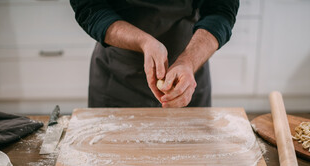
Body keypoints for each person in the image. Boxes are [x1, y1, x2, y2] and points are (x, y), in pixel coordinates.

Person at [70, 0, 239, 108]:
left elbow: (221, 9)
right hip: (116, 78)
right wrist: (143, 41)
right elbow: (89, 8)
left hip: (187, 74)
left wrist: (189, 61)